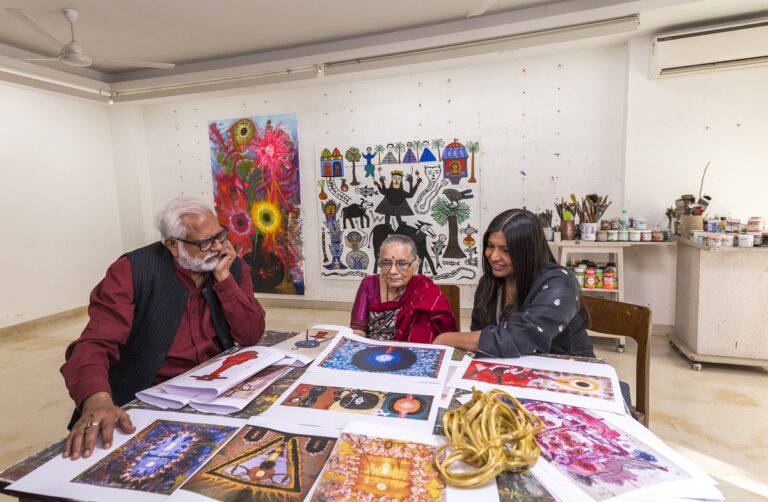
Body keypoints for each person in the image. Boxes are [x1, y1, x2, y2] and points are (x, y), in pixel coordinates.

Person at [60, 196, 266, 460]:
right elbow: (94, 344)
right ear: (172, 245)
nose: (218, 247)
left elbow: (250, 334)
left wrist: (224, 279)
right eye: (205, 243)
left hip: (216, 388)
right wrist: (98, 401)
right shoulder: (132, 272)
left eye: (220, 235)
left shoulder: (231, 265)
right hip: (152, 395)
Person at [434, 209, 594, 358]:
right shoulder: (489, 283)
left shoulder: (560, 283)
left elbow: (519, 338)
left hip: (568, 374)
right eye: (490, 246)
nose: (494, 256)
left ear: (529, 252)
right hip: (513, 373)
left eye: (506, 250)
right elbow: (481, 336)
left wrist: (444, 339)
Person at [350, 234, 457, 343]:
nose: (392, 271)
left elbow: (442, 337)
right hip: (371, 352)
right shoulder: (369, 284)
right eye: (386, 263)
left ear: (416, 265)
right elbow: (358, 329)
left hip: (412, 354)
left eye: (402, 263)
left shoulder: (425, 290)